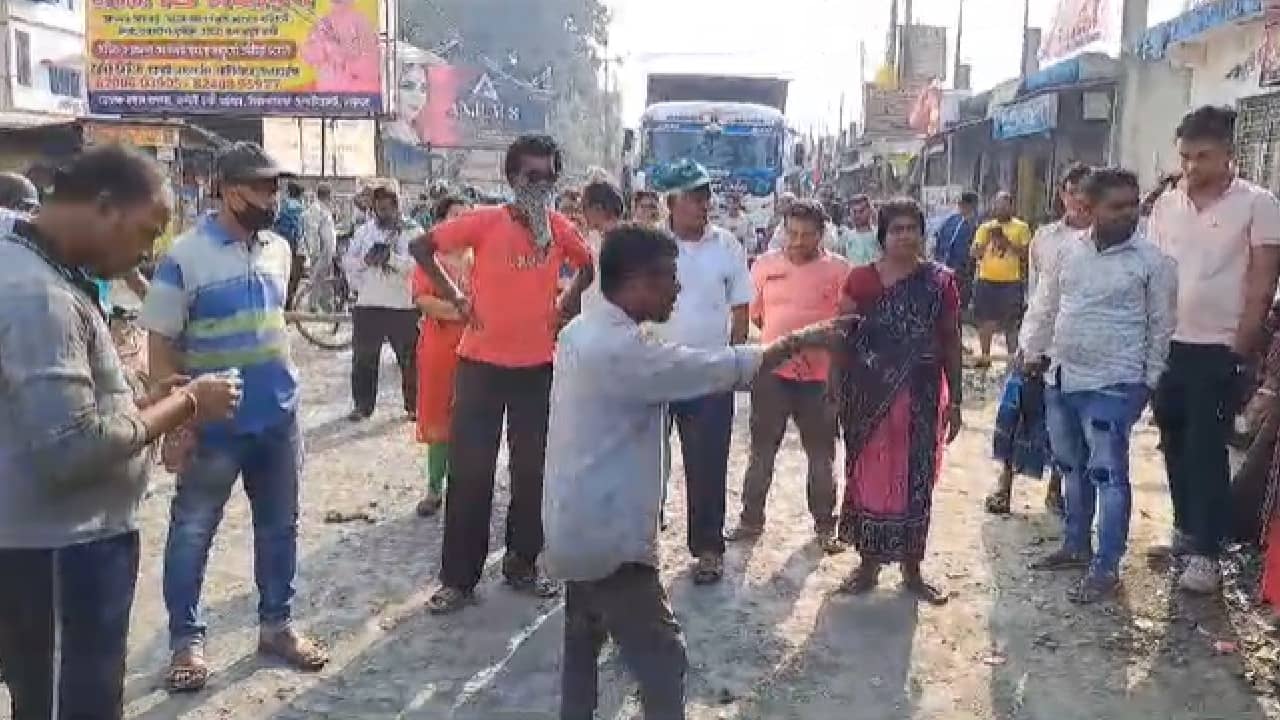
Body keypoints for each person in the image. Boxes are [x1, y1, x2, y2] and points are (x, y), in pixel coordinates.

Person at [543, 223, 849, 720]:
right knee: (664, 658)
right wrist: (801, 340)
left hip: (574, 524)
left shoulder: (584, 331)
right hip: (609, 539)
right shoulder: (622, 351)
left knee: (583, 647)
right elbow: (715, 368)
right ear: (638, 281)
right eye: (670, 277)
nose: (679, 289)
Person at [0, 145, 241, 718]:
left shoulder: (41, 271)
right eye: (147, 230)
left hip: (59, 544)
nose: (146, 251)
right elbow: (73, 449)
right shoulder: (41, 297)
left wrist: (139, 402)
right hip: (58, 552)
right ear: (106, 208)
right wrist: (185, 402)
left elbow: (52, 410)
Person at [141, 142, 330, 692]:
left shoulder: (278, 248)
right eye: (263, 187)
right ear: (227, 189)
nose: (274, 197)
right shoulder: (186, 255)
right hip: (214, 423)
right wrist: (176, 422)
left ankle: (277, 627)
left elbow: (273, 319)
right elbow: (161, 343)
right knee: (193, 531)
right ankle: (186, 642)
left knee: (280, 528)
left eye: (277, 186)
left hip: (277, 416)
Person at [410, 134, 595, 614]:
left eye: (550, 176)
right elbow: (421, 247)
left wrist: (564, 304)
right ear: (512, 179)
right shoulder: (484, 222)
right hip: (479, 368)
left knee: (532, 472)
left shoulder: (558, 228)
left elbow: (589, 267)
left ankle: (522, 564)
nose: (543, 185)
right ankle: (459, 579)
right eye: (533, 176)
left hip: (537, 368)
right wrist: (457, 298)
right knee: (470, 473)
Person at [1021, 168, 1177, 603]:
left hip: (1115, 384)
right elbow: (1045, 305)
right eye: (1117, 206)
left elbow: (1161, 327)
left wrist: (1148, 381)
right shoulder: (1067, 252)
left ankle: (1106, 567)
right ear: (1091, 209)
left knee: (1108, 475)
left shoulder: (1152, 262)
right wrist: (1030, 352)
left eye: (1132, 204)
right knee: (1070, 468)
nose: (1129, 213)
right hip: (1063, 377)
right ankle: (1075, 546)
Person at [1149, 105, 1280, 593]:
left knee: (1208, 447)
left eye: (1203, 156)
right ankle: (1187, 530)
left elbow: (1263, 281)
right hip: (1168, 344)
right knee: (1174, 440)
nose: (1191, 167)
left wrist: (1241, 349)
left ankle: (1208, 552)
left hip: (1220, 346)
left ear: (1229, 153)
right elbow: (1156, 274)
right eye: (1185, 156)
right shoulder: (1166, 204)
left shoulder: (1258, 204)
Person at [834, 197, 963, 604]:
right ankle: (868, 565)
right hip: (868, 396)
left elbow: (951, 341)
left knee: (915, 479)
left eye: (912, 229)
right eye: (897, 229)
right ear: (883, 236)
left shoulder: (940, 282)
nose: (905, 236)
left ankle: (912, 568)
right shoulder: (861, 280)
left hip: (922, 395)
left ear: (923, 234)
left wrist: (955, 399)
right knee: (868, 476)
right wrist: (832, 389)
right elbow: (841, 335)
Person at [726, 199, 851, 553]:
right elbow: (758, 316)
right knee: (762, 451)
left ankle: (826, 526)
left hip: (820, 379)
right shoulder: (764, 265)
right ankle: (751, 520)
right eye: (792, 233)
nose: (797, 242)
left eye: (807, 235)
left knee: (821, 455)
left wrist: (836, 378)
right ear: (783, 229)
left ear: (821, 234)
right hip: (772, 374)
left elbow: (845, 326)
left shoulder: (840, 270)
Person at [650, 159, 754, 585]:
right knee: (645, 462)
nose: (703, 204)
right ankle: (640, 546)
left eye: (705, 195)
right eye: (694, 196)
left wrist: (732, 361)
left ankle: (708, 549)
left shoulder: (727, 245)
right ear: (671, 202)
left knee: (708, 464)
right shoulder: (651, 245)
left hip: (709, 373)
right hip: (654, 371)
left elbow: (741, 308)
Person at [985, 165, 1093, 517]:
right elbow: (1037, 291)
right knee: (1015, 413)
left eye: (1087, 191)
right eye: (1072, 189)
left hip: (1078, 346)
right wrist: (1028, 340)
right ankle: (1004, 485)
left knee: (1066, 423)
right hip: (1038, 340)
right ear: (1062, 193)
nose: (1079, 198)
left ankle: (1055, 490)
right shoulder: (1044, 237)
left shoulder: (1104, 239)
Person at [412, 194, 473, 518]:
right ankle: (434, 487)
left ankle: (466, 488)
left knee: (473, 419)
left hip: (477, 347)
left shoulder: (480, 257)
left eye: (466, 215)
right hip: (439, 348)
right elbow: (422, 299)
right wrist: (463, 312)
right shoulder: (430, 256)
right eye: (454, 214)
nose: (461, 220)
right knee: (439, 418)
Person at [343, 186, 421, 422]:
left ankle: (414, 407)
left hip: (402, 306)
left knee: (409, 360)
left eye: (388, 208)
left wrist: (391, 259)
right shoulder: (364, 232)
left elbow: (417, 267)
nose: (383, 213)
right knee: (364, 358)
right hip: (369, 304)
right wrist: (365, 263)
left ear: (397, 207)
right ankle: (363, 406)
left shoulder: (412, 231)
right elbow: (347, 262)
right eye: (379, 209)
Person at [971, 191, 1032, 368]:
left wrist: (1007, 242)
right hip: (986, 280)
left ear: (1012, 207)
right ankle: (985, 357)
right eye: (998, 205)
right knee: (985, 321)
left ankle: (1013, 359)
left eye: (1005, 205)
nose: (1001, 209)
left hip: (1011, 282)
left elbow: (1026, 255)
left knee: (1011, 323)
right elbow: (974, 253)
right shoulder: (985, 228)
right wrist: (987, 241)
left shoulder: (1021, 227)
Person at [580, 179, 625, 311]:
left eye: (584, 207)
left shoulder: (624, 243)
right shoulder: (595, 241)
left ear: (598, 208)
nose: (582, 214)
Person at [931, 191, 979, 307]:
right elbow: (938, 237)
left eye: (966, 205)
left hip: (963, 270)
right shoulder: (951, 220)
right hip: (944, 265)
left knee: (959, 302)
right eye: (961, 204)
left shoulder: (977, 224)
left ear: (973, 206)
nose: (962, 207)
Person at [303, 182, 338, 308]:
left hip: (327, 251)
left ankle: (326, 304)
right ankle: (313, 305)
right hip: (321, 251)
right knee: (317, 279)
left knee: (326, 280)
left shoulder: (325, 209)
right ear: (327, 195)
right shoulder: (316, 209)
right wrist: (316, 252)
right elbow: (313, 232)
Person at [275, 181, 307, 309]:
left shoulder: (283, 206)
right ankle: (289, 305)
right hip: (297, 247)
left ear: (288, 192)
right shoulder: (303, 208)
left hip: (282, 245)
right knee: (294, 278)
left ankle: (281, 304)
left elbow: (276, 224)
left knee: (282, 275)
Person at [840, 194, 881, 267]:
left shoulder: (879, 234)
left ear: (870, 211)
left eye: (861, 211)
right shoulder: (846, 237)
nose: (857, 215)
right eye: (854, 212)